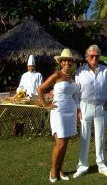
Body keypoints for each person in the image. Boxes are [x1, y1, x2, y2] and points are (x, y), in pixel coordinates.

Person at [73, 45, 107, 179]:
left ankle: (101, 165)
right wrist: (77, 109)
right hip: (84, 106)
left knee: (100, 137)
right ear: (87, 57)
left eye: (97, 56)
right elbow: (76, 92)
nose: (94, 58)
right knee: (84, 137)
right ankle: (82, 166)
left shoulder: (106, 71)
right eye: (92, 56)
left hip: (101, 107)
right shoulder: (80, 72)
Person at [37, 49, 79, 183]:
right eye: (65, 61)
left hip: (71, 112)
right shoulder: (57, 75)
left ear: (72, 63)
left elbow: (73, 95)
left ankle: (60, 169)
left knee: (65, 144)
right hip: (59, 112)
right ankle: (53, 171)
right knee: (60, 144)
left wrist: (77, 110)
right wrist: (45, 105)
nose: (67, 63)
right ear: (61, 63)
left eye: (69, 61)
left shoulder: (72, 78)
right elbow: (40, 89)